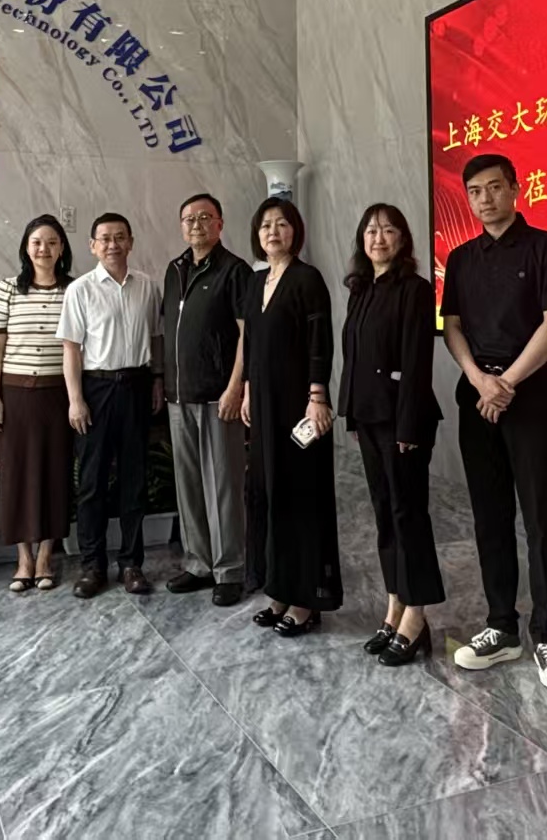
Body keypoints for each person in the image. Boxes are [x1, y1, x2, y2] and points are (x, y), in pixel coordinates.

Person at [442, 153, 547, 688]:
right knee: (489, 516)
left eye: (495, 188)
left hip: (533, 398)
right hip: (478, 399)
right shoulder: (461, 259)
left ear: (516, 189)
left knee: (540, 517)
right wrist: (480, 380)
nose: (485, 199)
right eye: (475, 191)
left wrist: (507, 384)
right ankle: (501, 626)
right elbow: (453, 327)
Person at [340, 203, 445, 665]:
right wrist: (351, 415)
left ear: (402, 239)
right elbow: (353, 358)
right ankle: (394, 605)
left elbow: (417, 363)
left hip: (404, 422)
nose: (378, 238)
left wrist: (407, 426)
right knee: (385, 515)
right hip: (368, 418)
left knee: (408, 515)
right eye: (370, 231)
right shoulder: (360, 290)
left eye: (387, 231)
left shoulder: (415, 290)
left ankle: (416, 615)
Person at [243, 197, 340, 636]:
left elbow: (320, 343)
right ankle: (280, 589)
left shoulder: (307, 278)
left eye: (282, 224)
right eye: (266, 225)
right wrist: (248, 390)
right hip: (264, 406)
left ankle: (306, 600)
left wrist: (317, 395)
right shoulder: (256, 282)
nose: (273, 232)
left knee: (302, 496)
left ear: (295, 231)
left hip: (300, 406)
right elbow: (251, 344)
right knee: (271, 495)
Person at [57, 213, 164, 599]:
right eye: (105, 238)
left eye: (120, 237)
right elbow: (71, 348)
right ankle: (92, 565)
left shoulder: (147, 286)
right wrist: (75, 400)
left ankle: (132, 563)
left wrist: (157, 379)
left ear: (131, 242)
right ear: (92, 246)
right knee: (92, 483)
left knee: (134, 480)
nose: (113, 244)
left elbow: (156, 337)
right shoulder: (80, 290)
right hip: (95, 389)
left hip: (136, 386)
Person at [162, 193, 252, 607]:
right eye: (189, 219)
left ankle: (229, 569)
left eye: (204, 217)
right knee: (189, 486)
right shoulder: (174, 270)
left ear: (220, 224)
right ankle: (198, 563)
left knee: (223, 487)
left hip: (218, 397)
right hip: (179, 397)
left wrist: (235, 387)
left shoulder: (234, 270)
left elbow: (247, 334)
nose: (196, 225)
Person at [0, 215, 75, 593]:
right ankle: (23, 558)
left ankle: (46, 556)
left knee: (55, 472)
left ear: (62, 248)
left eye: (52, 242)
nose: (44, 249)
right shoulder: (8, 288)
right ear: (26, 247)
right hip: (16, 393)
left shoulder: (74, 290)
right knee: (17, 475)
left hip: (58, 395)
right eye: (37, 242)